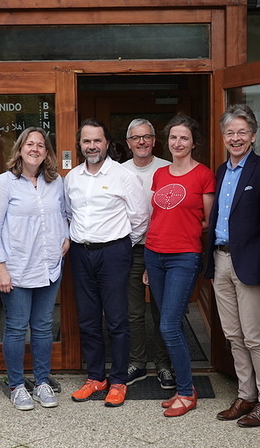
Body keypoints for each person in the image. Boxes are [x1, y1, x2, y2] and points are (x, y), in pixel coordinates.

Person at [64, 118, 149, 408]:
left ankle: (118, 381)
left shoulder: (122, 175)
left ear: (107, 143)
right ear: (80, 144)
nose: (92, 146)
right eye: (86, 141)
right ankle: (95, 377)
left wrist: (120, 244)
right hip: (80, 252)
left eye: (97, 141)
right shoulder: (72, 177)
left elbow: (139, 218)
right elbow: (68, 214)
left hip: (114, 253)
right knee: (88, 319)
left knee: (116, 319)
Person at [0, 127, 70, 411]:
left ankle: (42, 381)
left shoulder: (55, 182)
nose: (35, 149)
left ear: (47, 152)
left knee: (44, 327)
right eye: (29, 144)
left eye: (41, 145)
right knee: (17, 328)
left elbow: (65, 213)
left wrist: (66, 237)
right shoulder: (3, 183)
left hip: (48, 266)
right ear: (20, 149)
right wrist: (1, 268)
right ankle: (17, 385)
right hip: (16, 268)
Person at [206, 104, 260, 428]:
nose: (235, 138)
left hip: (249, 265)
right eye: (230, 132)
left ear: (253, 135)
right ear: (223, 136)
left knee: (255, 336)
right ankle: (245, 394)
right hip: (220, 260)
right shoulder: (221, 171)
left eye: (242, 132)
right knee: (233, 335)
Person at [144, 114, 215, 417]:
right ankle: (182, 388)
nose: (178, 142)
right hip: (154, 254)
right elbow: (156, 216)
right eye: (173, 137)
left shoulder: (203, 175)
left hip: (183, 257)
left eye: (184, 137)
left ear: (193, 142)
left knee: (170, 325)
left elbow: (208, 222)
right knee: (166, 321)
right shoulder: (160, 174)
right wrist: (149, 263)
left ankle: (186, 391)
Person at [122, 118, 174, 390]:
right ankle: (137, 362)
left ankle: (164, 365)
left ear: (154, 140)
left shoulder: (168, 169)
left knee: (162, 311)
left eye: (146, 137)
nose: (141, 142)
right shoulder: (119, 171)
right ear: (128, 143)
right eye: (136, 137)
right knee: (133, 312)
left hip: (162, 249)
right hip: (130, 249)